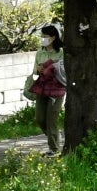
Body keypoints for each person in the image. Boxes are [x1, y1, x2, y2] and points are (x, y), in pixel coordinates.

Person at [24, 25, 67, 155]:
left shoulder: (61, 52)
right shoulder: (40, 52)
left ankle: (54, 149)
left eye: (45, 36)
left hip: (57, 89)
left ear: (53, 38)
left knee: (51, 119)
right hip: (42, 88)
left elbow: (65, 71)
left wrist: (53, 67)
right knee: (40, 118)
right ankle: (54, 139)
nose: (42, 39)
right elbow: (34, 71)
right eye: (41, 36)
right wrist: (39, 69)